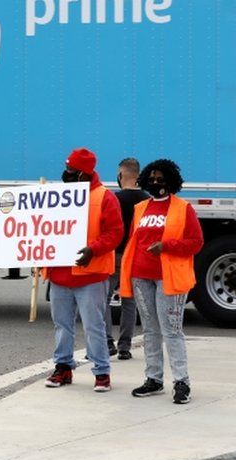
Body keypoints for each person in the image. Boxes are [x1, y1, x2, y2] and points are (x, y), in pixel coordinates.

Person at [119, 159, 204, 404]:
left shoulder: (182, 208)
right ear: (144, 180)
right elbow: (134, 242)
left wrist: (166, 246)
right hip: (140, 276)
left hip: (169, 278)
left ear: (171, 181)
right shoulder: (141, 208)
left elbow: (196, 242)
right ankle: (154, 379)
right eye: (152, 178)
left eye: (161, 178)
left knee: (171, 331)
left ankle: (181, 382)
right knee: (150, 331)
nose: (156, 182)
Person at [44, 148, 124, 393]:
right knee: (62, 324)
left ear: (83, 173)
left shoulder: (104, 197)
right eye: (66, 168)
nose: (66, 173)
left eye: (71, 170)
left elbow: (115, 232)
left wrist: (93, 249)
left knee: (94, 326)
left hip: (91, 274)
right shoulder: (56, 196)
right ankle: (63, 367)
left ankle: (101, 372)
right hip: (60, 273)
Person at [106, 158, 150, 360]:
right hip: (135, 257)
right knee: (129, 302)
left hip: (114, 255)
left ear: (120, 175)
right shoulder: (147, 200)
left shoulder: (114, 199)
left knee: (103, 300)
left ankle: (107, 342)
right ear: (138, 176)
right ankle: (125, 346)